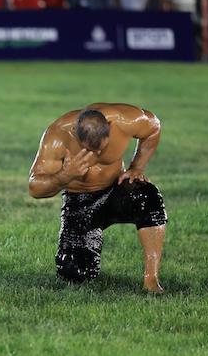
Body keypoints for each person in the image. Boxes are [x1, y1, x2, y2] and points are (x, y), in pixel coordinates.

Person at [28, 104, 167, 294]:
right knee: (74, 273)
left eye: (101, 149)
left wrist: (137, 167)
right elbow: (35, 188)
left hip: (115, 190)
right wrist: (64, 176)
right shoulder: (57, 135)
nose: (96, 156)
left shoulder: (124, 120)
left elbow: (153, 127)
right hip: (80, 202)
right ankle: (89, 238)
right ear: (76, 135)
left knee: (147, 196)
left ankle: (151, 278)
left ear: (109, 128)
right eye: (88, 150)